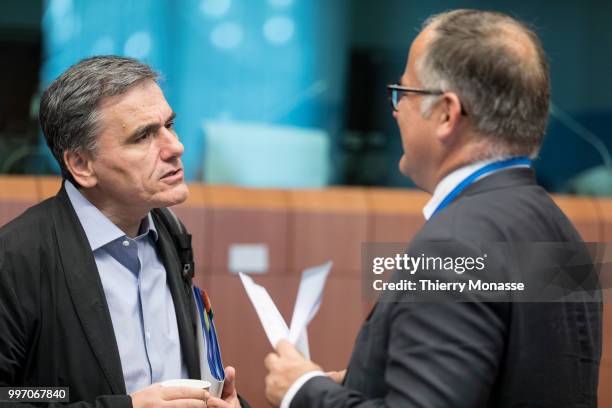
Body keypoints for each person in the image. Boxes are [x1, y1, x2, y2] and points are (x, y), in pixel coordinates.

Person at [264, 9, 602, 407]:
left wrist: (303, 392)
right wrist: (361, 381)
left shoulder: (453, 249)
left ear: (446, 114)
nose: (395, 109)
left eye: (404, 93)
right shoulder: (562, 232)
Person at [0, 56, 246, 408]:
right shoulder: (17, 257)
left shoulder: (171, 232)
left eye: (169, 125)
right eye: (144, 136)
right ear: (82, 165)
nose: (176, 147)